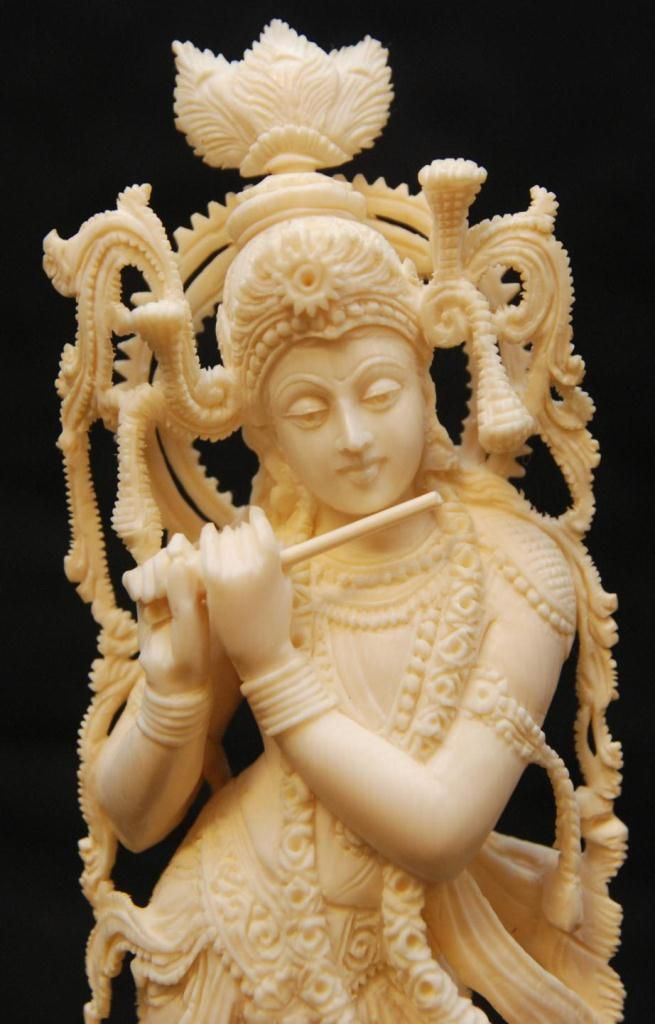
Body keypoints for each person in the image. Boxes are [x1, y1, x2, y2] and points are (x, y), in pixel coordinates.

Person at [45, 24, 624, 1024]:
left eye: (381, 391)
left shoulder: (516, 564)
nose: (355, 438)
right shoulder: (260, 560)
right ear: (265, 436)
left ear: (427, 384)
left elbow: (440, 831)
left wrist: (269, 663)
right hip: (218, 937)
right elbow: (134, 821)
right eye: (309, 411)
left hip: (398, 963)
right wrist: (175, 685)